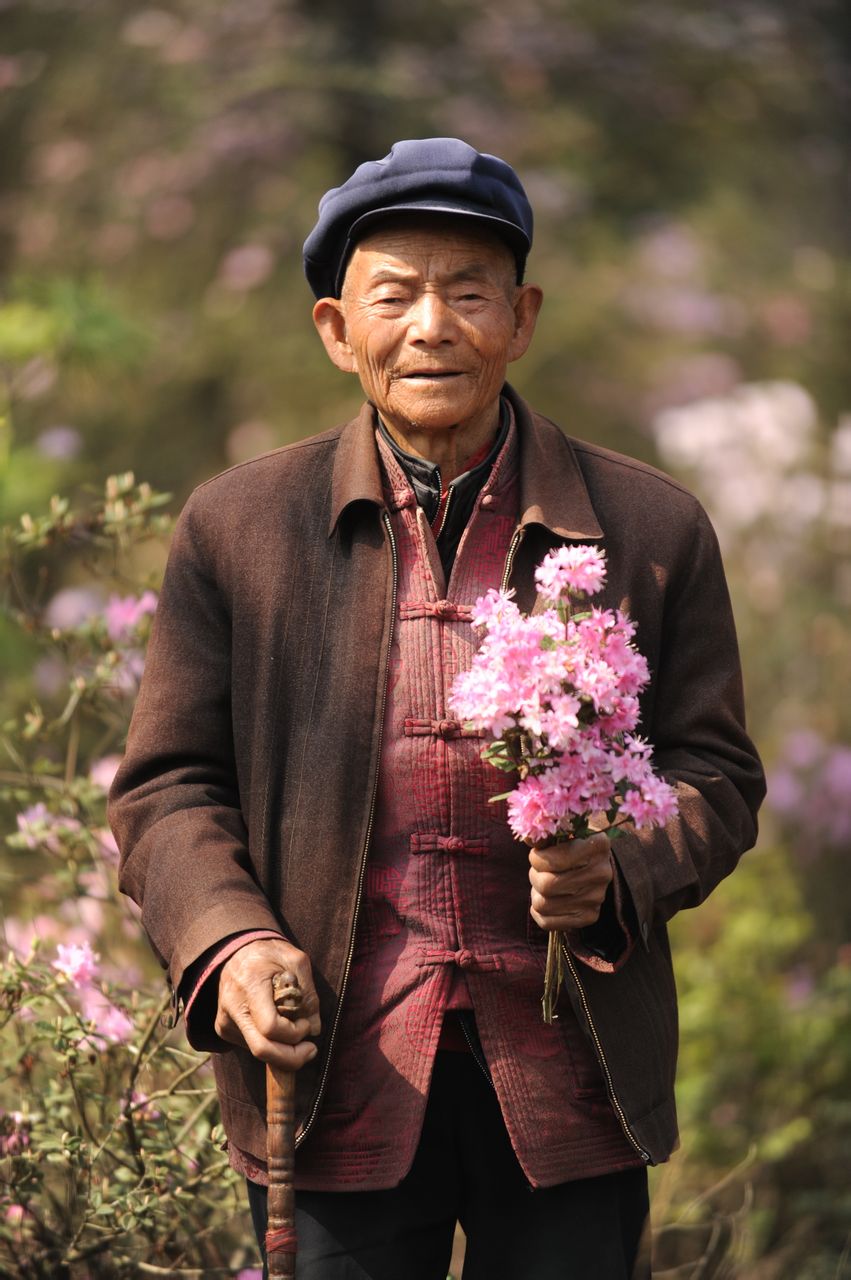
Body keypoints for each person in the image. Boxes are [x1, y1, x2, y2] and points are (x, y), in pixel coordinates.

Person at [109, 137, 765, 1279]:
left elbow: (714, 770)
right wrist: (236, 939)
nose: (431, 326)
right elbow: (169, 785)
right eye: (395, 296)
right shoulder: (237, 528)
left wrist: (621, 865)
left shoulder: (649, 531)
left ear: (521, 318)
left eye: (467, 294)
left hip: (570, 1078)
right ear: (334, 330)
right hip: (337, 1082)